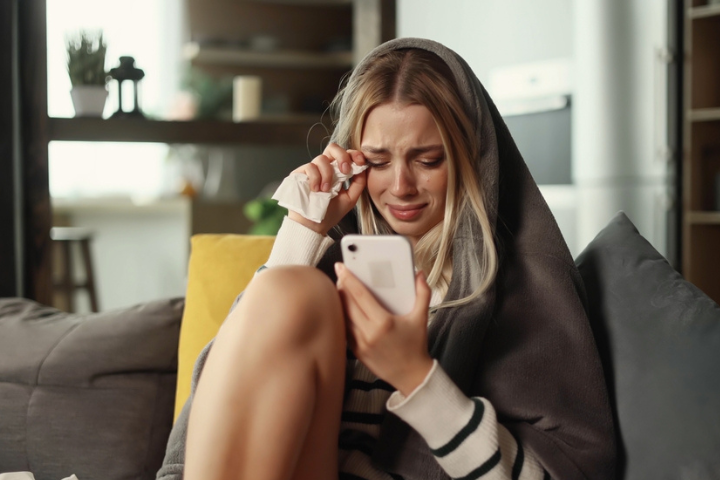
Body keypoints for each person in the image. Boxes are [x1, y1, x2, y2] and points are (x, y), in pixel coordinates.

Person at [157, 38, 616, 480]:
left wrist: (415, 376)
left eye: (428, 160)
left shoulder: (525, 288)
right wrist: (305, 229)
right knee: (291, 289)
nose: (400, 187)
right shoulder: (328, 266)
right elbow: (230, 401)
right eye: (377, 161)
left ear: (471, 159)